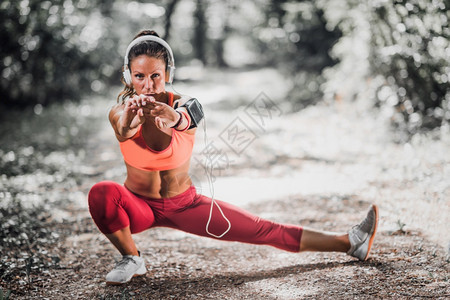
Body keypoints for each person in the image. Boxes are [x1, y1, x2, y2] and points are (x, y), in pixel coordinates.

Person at [87, 30, 378, 285]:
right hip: (139, 206)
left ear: (168, 75)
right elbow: (123, 129)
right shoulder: (120, 109)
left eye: (155, 76)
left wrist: (173, 118)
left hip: (184, 204)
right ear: (128, 76)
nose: (148, 85)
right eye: (139, 77)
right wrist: (131, 116)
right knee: (102, 192)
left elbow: (191, 115)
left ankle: (350, 242)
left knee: (265, 230)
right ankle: (131, 258)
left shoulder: (184, 103)